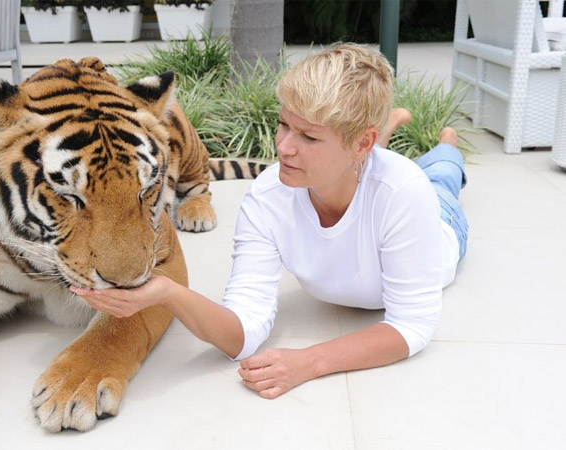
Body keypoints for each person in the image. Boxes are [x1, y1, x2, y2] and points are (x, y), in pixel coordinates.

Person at [71, 43, 469, 400]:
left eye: (308, 138)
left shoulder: (404, 192)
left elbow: (411, 326)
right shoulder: (268, 195)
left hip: (441, 222)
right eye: (283, 125)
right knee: (367, 173)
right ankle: (383, 134)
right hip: (360, 164)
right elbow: (241, 333)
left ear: (359, 142)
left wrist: (310, 362)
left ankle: (445, 145)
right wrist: (167, 293)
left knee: (443, 178)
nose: (283, 147)